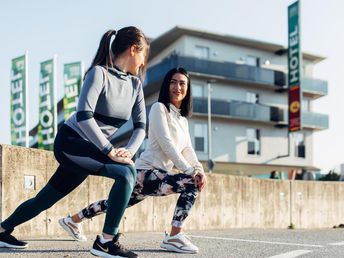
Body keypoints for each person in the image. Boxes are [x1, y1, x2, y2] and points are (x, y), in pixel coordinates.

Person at [0, 26, 149, 258]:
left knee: (45, 199)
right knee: (126, 173)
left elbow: (141, 127)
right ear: (133, 50)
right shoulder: (99, 73)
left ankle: (2, 229)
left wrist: (128, 151)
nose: (143, 62)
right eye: (143, 55)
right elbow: (84, 116)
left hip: (91, 149)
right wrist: (110, 150)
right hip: (71, 142)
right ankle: (105, 241)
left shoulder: (135, 86)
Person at [59, 67, 207, 254]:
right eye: (173, 82)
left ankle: (73, 220)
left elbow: (187, 148)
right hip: (147, 172)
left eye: (182, 83)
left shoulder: (183, 120)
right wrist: (189, 172)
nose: (177, 87)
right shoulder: (158, 108)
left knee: (114, 203)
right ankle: (174, 236)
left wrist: (198, 168)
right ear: (166, 86)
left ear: (188, 89)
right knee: (191, 184)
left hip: (154, 176)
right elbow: (167, 144)